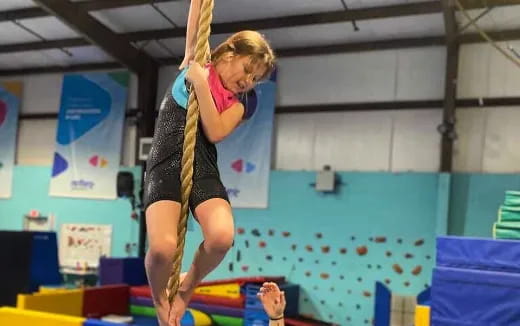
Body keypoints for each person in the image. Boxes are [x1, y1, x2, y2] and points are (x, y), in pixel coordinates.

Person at [142, 0, 276, 324]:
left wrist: (200, 83)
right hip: (164, 160)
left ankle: (187, 290)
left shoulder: (245, 101)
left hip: (202, 165)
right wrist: (198, 71)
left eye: (255, 78)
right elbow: (198, 7)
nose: (248, 81)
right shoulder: (198, 59)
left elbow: (214, 131)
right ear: (230, 53)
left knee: (221, 237)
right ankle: (161, 300)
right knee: (163, 248)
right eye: (247, 70)